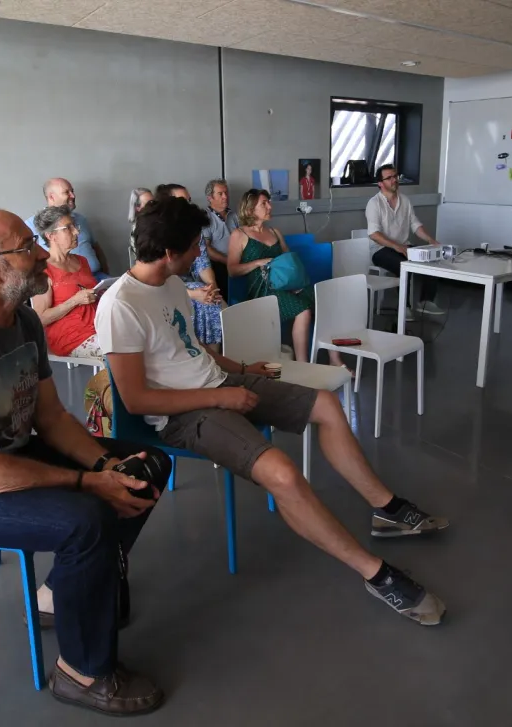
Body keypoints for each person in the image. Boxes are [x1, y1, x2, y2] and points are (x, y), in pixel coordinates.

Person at [96, 196, 449, 625]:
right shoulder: (120, 305)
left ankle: (387, 509)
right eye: (194, 247)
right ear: (169, 253)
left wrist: (241, 371)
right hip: (183, 415)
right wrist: (219, 397)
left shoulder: (171, 285)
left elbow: (193, 351)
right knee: (282, 472)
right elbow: (137, 400)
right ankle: (376, 574)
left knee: (325, 403)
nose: (201, 254)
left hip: (218, 383)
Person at [0, 208, 169, 714]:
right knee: (86, 521)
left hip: (10, 452)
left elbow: (53, 416)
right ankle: (83, 674)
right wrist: (87, 484)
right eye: (28, 246)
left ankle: (63, 594)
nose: (45, 253)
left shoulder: (20, 317)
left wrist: (105, 466)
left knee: (145, 464)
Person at [227, 188, 347, 369]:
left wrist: (294, 282)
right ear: (251, 209)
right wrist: (258, 263)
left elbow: (289, 262)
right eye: (264, 203)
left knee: (324, 302)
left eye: (269, 202)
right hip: (263, 290)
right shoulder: (239, 235)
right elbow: (232, 270)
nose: (269, 206)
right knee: (303, 311)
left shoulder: (275, 232)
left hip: (285, 284)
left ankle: (335, 360)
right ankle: (303, 365)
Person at [366, 164, 445, 319]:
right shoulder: (374, 204)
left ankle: (426, 301)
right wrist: (397, 246)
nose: (394, 180)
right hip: (380, 250)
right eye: (389, 178)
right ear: (380, 183)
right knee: (404, 264)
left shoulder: (405, 201)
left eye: (395, 176)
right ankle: (404, 307)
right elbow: (374, 234)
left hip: (403, 246)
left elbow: (415, 225)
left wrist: (431, 240)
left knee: (431, 258)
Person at [31, 206, 103, 359]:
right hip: (71, 337)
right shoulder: (43, 270)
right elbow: (40, 318)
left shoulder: (82, 261)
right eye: (68, 228)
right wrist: (75, 301)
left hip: (99, 327)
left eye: (75, 227)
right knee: (121, 350)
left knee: (139, 339)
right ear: (51, 236)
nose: (77, 232)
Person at [160, 184, 224, 352]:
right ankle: (198, 354)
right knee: (203, 297)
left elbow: (203, 263)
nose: (188, 206)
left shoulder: (195, 231)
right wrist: (195, 294)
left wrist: (212, 287)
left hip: (193, 285)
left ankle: (213, 360)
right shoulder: (160, 233)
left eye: (189, 200)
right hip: (169, 288)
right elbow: (159, 281)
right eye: (183, 201)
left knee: (212, 298)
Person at [25, 178, 110, 281]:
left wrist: (106, 275)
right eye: (67, 192)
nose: (73, 196)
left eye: (72, 191)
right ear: (51, 197)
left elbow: (96, 248)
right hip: (65, 283)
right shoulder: (32, 225)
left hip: (98, 277)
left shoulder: (81, 219)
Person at [202, 178, 238, 294]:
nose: (225, 197)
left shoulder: (234, 215)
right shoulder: (206, 218)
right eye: (220, 194)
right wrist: (228, 261)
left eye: (226, 193)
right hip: (219, 266)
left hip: (238, 262)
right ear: (210, 198)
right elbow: (207, 249)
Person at [127, 187, 153, 260]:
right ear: (137, 208)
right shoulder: (139, 229)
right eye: (149, 203)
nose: (154, 206)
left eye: (154, 202)